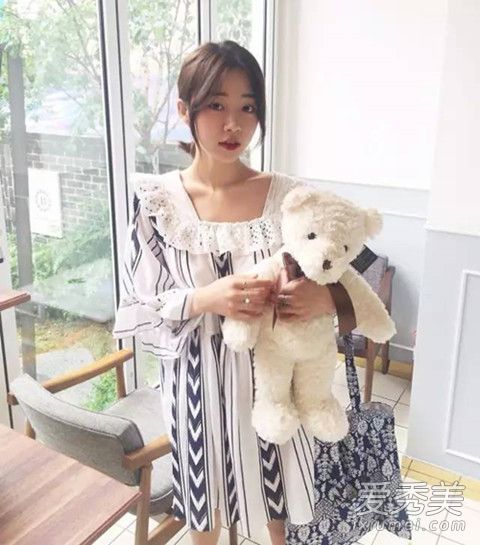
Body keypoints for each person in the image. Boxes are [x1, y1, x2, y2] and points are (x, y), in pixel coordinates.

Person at [113, 40, 336, 545]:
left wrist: (325, 299)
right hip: (197, 386)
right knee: (206, 508)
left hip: (276, 382)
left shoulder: (289, 196)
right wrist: (205, 298)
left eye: (248, 107)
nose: (233, 124)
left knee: (283, 504)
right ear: (183, 110)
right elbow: (137, 305)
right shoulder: (156, 202)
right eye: (216, 104)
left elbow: (349, 269)